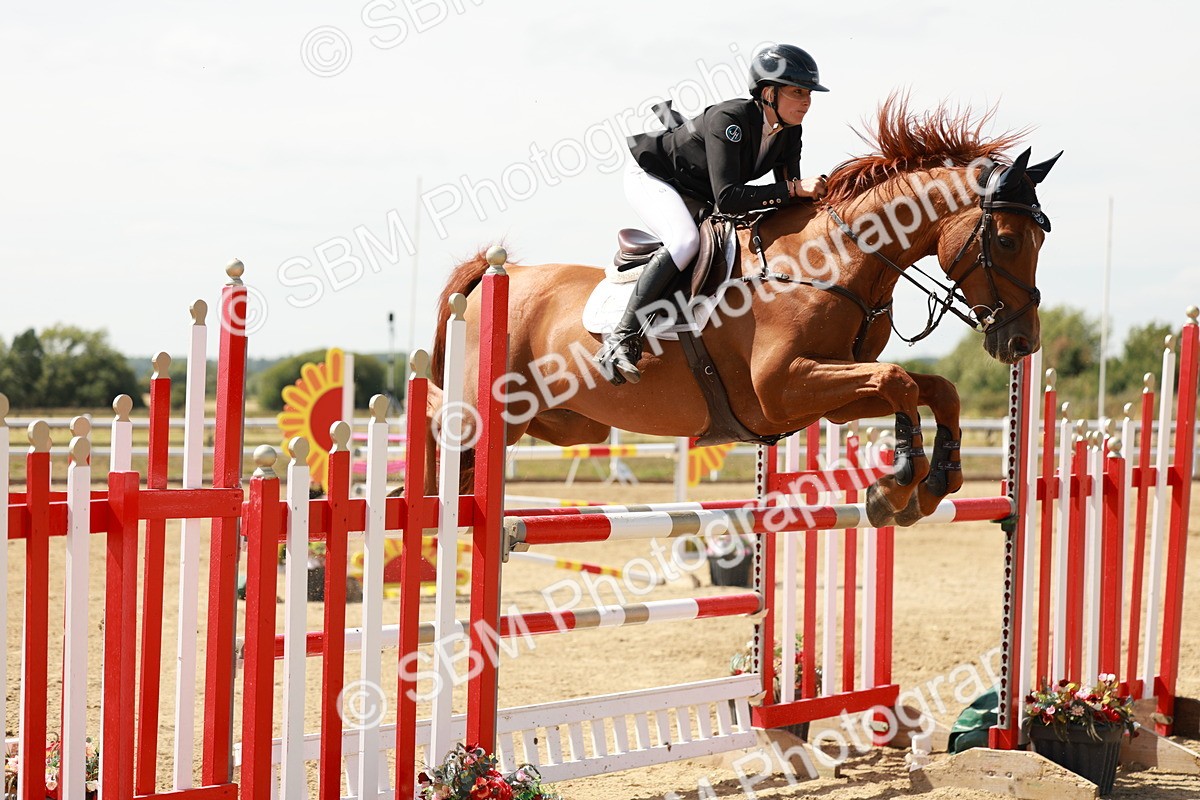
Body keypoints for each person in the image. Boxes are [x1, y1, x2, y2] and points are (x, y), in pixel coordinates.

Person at [596, 44, 831, 386]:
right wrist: (795, 189)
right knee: (685, 241)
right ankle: (621, 337)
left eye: (809, 93)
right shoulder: (730, 119)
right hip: (653, 176)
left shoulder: (790, 131)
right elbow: (730, 198)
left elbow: (789, 197)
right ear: (769, 93)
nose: (807, 101)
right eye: (797, 91)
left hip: (697, 189)